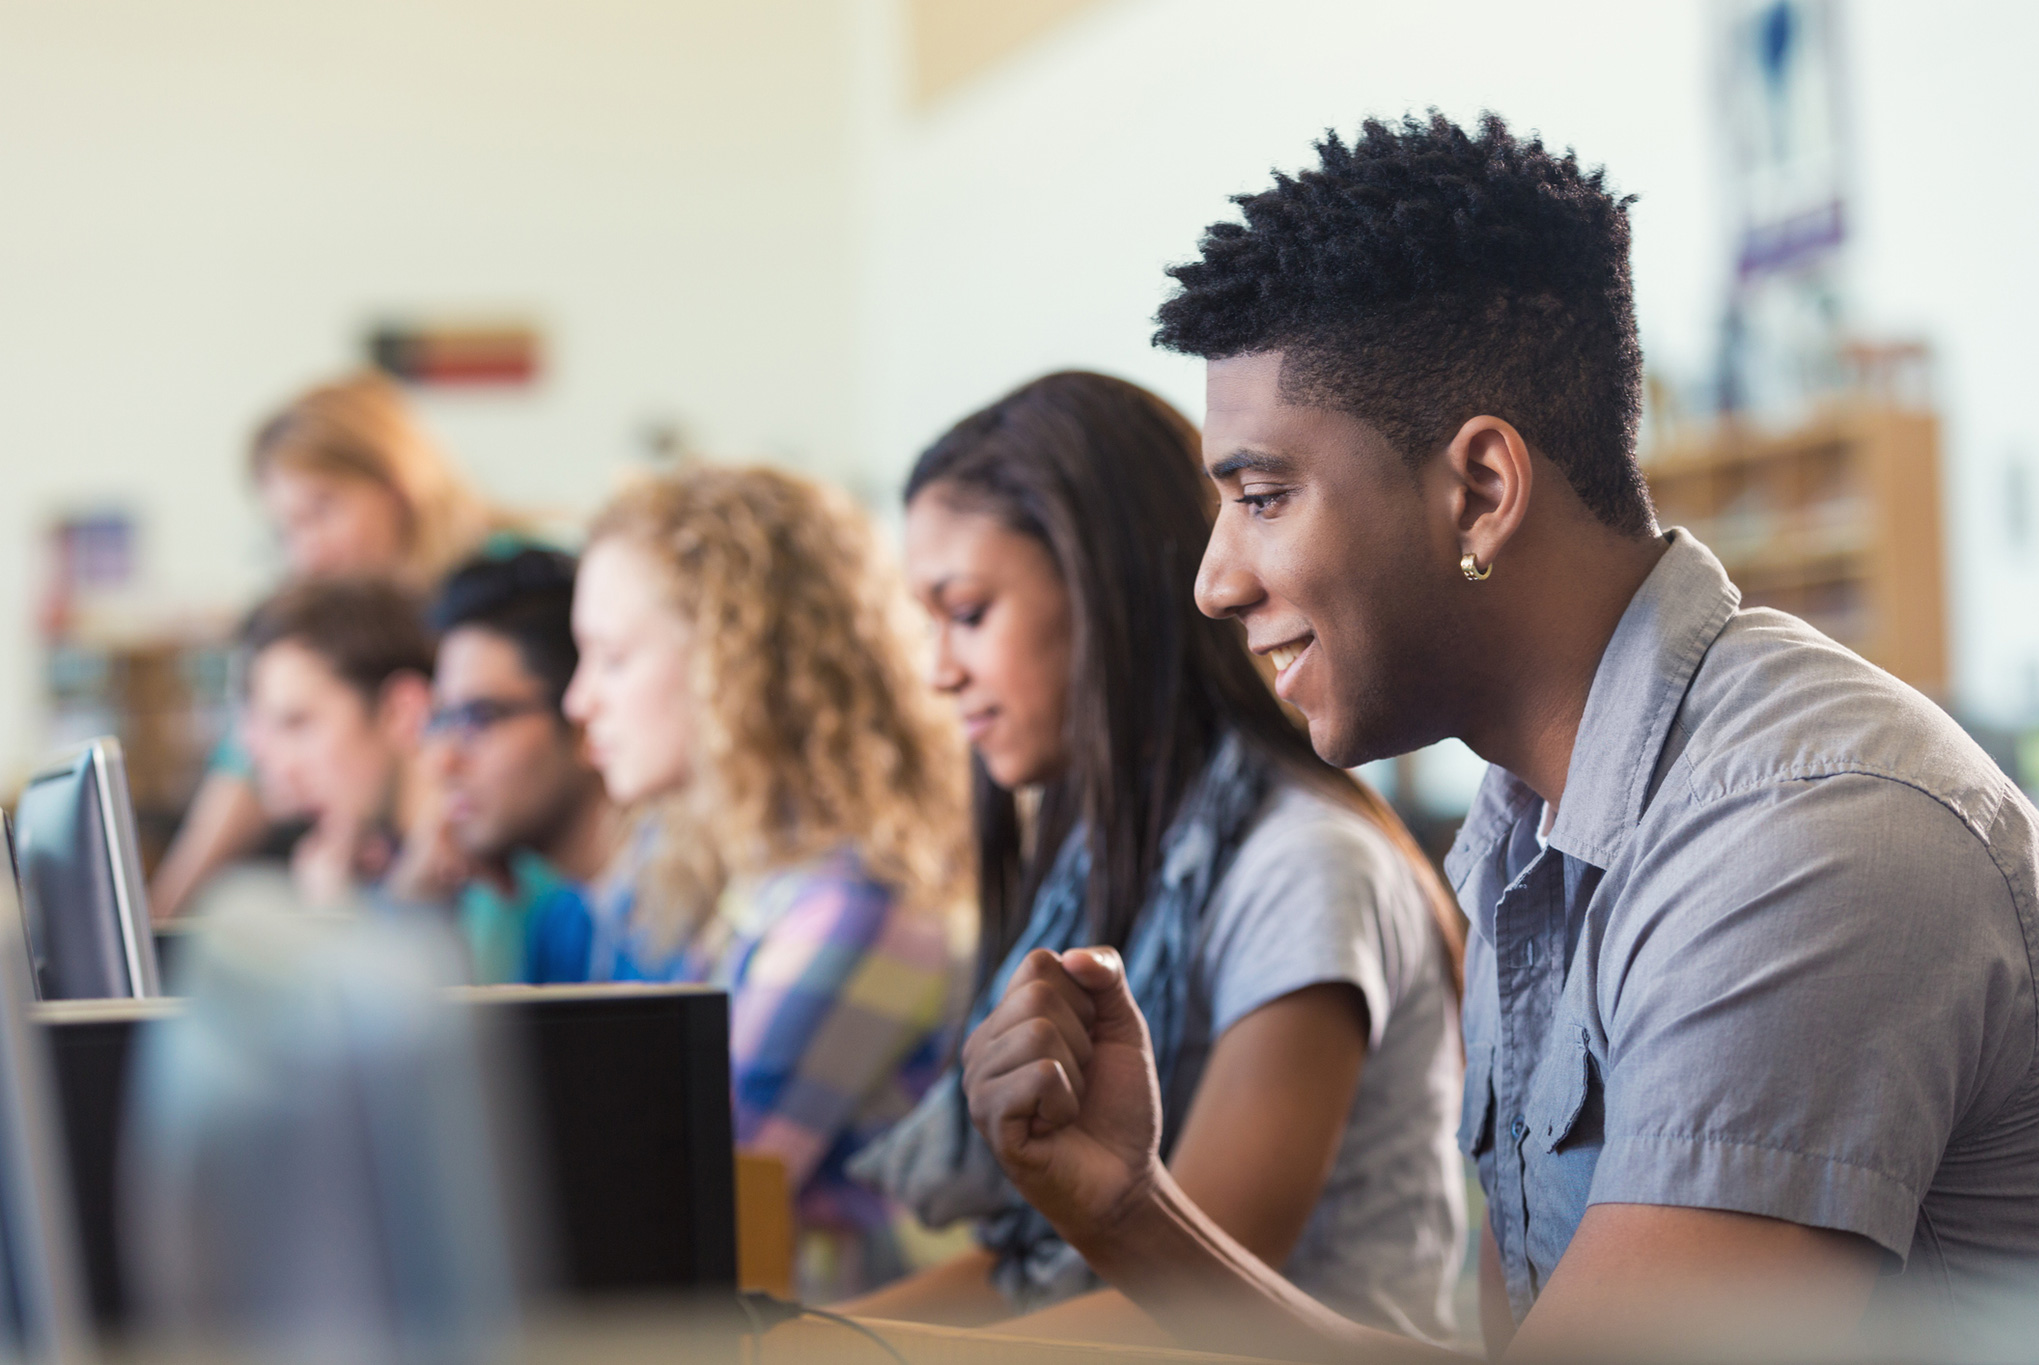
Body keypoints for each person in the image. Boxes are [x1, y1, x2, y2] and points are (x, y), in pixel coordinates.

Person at [957, 114, 2039, 1362]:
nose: (1213, 581)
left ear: (1479, 489)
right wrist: (1132, 1212)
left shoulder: (1804, 841)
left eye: (1262, 498)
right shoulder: (1526, 828)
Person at [839, 371, 1469, 1345]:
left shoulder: (1303, 865)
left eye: (965, 612)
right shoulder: (1102, 856)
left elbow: (1189, 1298)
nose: (936, 668)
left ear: (1106, 592)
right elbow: (1031, 1277)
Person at [562, 466, 969, 1297]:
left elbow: (678, 1192)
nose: (578, 700)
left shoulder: (858, 905)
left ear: (730, 662)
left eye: (612, 658)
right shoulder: (735, 875)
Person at [153, 374, 505, 921]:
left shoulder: (495, 592)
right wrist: (157, 921)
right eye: (287, 530)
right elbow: (245, 766)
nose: (307, 552)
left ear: (398, 488)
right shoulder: (337, 624)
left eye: (322, 511)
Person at [383, 548, 621, 984]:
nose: (442, 761)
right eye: (441, 721)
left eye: (479, 718)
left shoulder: (678, 929)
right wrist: (415, 907)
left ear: (582, 716)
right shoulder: (565, 924)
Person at [238, 578, 436, 909]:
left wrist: (334, 920)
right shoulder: (394, 869)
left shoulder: (489, 884)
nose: (284, 769)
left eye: (299, 723)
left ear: (401, 713)